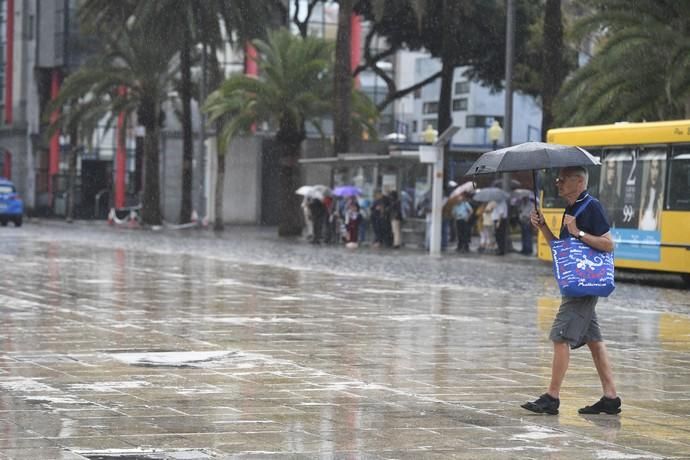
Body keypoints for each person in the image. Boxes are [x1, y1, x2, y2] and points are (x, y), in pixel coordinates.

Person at [523, 166, 620, 416]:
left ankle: (552, 397)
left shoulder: (591, 206)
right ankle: (610, 398)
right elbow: (561, 249)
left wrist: (580, 232)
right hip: (576, 283)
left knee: (560, 336)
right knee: (594, 341)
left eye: (562, 180)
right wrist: (542, 226)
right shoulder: (572, 208)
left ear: (579, 181)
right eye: (557, 179)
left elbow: (609, 245)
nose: (557, 183)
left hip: (583, 286)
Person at [638, 158, 664, 231]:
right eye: (652, 167)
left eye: (657, 168)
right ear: (650, 170)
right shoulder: (645, 193)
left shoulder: (660, 196)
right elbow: (639, 223)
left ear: (659, 171)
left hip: (653, 232)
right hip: (642, 231)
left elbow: (659, 226)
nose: (654, 172)